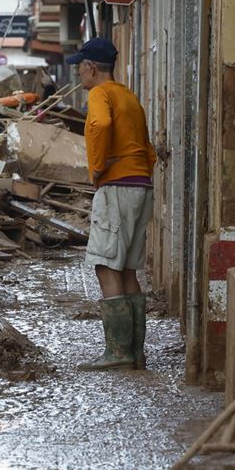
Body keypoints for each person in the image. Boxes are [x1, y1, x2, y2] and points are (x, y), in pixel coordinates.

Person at [68, 38, 157, 371]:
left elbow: (101, 124)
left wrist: (98, 165)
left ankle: (118, 353)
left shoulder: (100, 94)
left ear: (91, 67)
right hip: (140, 186)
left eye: (80, 66)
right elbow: (148, 148)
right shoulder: (129, 96)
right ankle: (135, 352)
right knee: (127, 269)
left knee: (105, 264)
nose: (78, 73)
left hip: (117, 185)